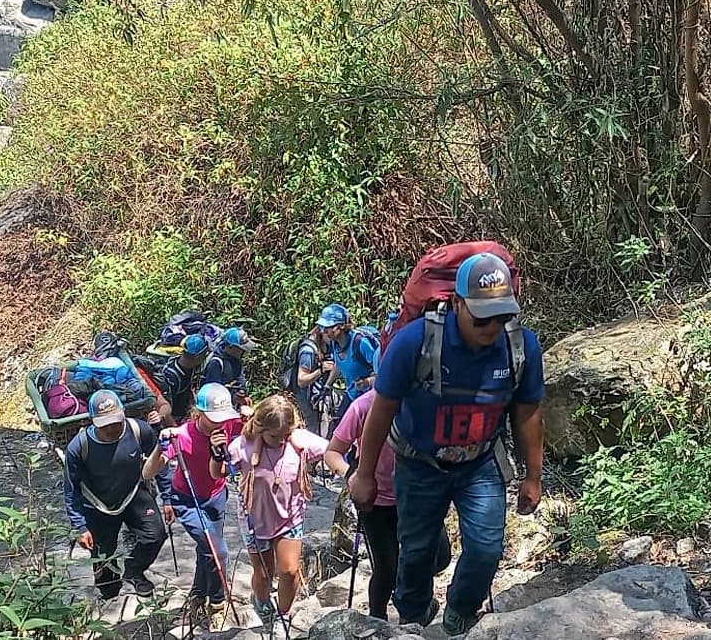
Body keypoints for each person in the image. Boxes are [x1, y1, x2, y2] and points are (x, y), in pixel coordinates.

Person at [349, 252, 545, 635]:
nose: (492, 327)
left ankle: (460, 614)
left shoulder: (520, 347)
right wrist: (365, 474)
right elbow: (382, 409)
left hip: (481, 461)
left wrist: (533, 477)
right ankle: (414, 616)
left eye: (501, 316)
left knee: (487, 548)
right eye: (482, 318)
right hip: (419, 463)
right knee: (417, 551)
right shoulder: (414, 343)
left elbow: (527, 414)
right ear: (457, 303)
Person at [324, 389, 452, 621]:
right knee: (386, 569)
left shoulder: (427, 399)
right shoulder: (362, 406)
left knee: (440, 556)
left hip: (419, 495)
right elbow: (332, 452)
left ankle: (412, 599)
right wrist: (352, 476)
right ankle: (378, 619)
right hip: (376, 500)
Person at [208, 395, 328, 623]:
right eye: (275, 436)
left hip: (290, 518)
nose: (281, 440)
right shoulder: (243, 445)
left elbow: (332, 450)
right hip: (255, 520)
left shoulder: (299, 441)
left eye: (286, 434)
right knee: (264, 574)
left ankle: (283, 614)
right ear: (260, 428)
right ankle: (261, 602)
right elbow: (218, 472)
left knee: (289, 571)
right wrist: (215, 453)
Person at [145, 383, 242, 619]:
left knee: (206, 550)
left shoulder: (228, 425)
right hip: (187, 500)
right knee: (217, 552)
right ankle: (217, 603)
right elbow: (147, 473)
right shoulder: (183, 436)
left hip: (216, 497)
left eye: (223, 417)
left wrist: (250, 414)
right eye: (214, 418)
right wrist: (160, 446)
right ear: (198, 413)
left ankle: (197, 595)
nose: (220, 423)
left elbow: (253, 428)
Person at [64, 390, 169, 600]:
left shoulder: (139, 430)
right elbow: (71, 490)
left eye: (116, 422)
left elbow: (159, 461)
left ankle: (134, 570)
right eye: (105, 424)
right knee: (103, 557)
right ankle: (109, 590)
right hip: (98, 505)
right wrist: (80, 527)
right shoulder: (79, 447)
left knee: (155, 535)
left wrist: (168, 498)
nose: (112, 428)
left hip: (133, 494)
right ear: (93, 422)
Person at [317, 304, 379, 437]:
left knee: (363, 435)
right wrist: (327, 385)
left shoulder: (361, 343)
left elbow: (383, 372)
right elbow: (339, 365)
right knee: (337, 430)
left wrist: (367, 382)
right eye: (322, 327)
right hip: (352, 394)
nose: (323, 331)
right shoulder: (334, 344)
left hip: (369, 398)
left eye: (327, 327)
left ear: (341, 326)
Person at [293, 309, 338, 436]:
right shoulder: (308, 351)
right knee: (313, 430)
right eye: (328, 333)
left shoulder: (328, 344)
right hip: (307, 397)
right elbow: (301, 381)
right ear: (322, 332)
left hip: (321, 393)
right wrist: (321, 370)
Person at [159, 333, 212, 424]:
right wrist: (176, 428)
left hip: (186, 412)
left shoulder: (192, 367)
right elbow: (165, 409)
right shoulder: (171, 376)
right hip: (174, 418)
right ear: (198, 356)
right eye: (204, 355)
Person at [204, 326, 260, 407]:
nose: (243, 352)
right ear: (230, 347)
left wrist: (242, 393)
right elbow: (212, 393)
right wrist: (232, 398)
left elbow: (240, 376)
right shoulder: (216, 363)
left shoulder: (235, 357)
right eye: (241, 349)